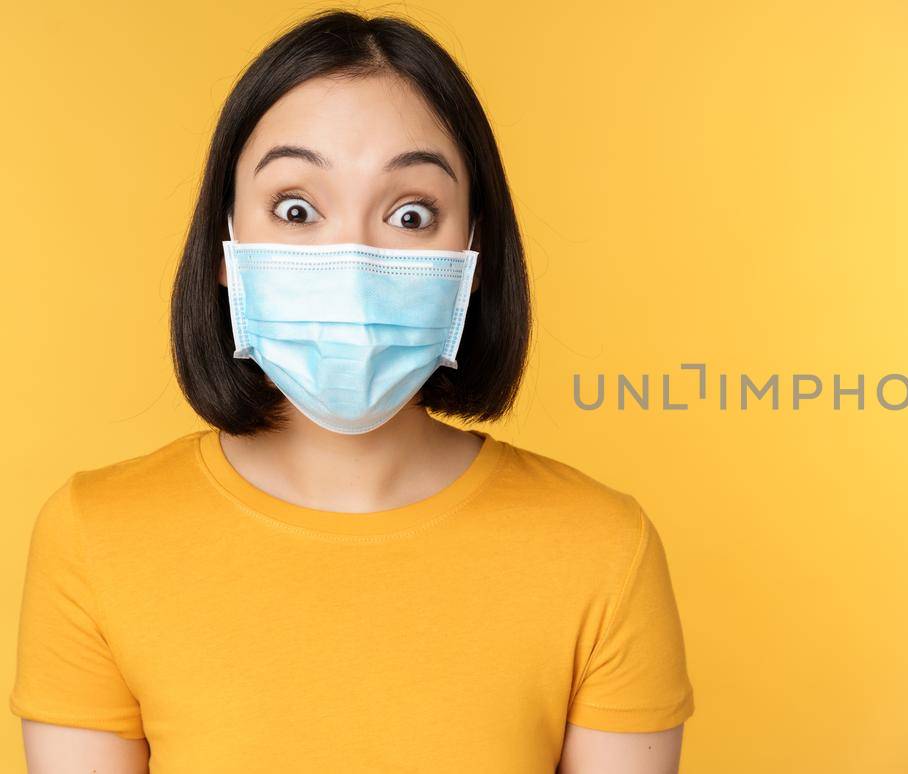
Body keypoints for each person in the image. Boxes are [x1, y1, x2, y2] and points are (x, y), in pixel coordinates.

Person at [8, 10, 694, 773]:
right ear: (225, 249)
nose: (352, 260)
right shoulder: (95, 537)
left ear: (471, 255)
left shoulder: (602, 550)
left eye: (410, 213)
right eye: (296, 209)